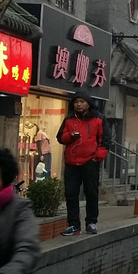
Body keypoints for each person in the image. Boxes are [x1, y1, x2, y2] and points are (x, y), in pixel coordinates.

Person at [57, 90, 110, 236]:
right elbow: (60, 137)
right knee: (71, 194)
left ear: (89, 103)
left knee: (91, 193)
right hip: (71, 162)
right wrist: (70, 136)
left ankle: (91, 222)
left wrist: (97, 157)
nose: (78, 104)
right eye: (76, 102)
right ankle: (73, 224)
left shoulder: (99, 119)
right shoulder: (69, 119)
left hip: (90, 162)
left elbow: (106, 141)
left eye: (82, 102)